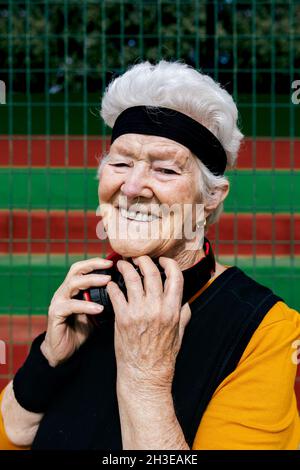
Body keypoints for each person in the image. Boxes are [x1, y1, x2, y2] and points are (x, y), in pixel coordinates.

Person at [0, 60, 299, 450]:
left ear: (210, 199)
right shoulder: (89, 301)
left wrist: (145, 377)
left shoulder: (265, 330)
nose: (133, 185)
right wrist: (46, 364)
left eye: (166, 171)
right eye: (120, 163)